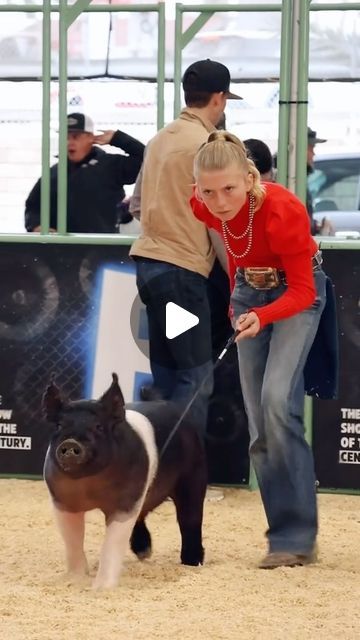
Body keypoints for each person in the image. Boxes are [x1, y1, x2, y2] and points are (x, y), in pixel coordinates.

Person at [191, 130, 327, 568]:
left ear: (249, 178)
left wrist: (262, 316)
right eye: (208, 191)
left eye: (229, 188)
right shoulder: (204, 206)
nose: (219, 201)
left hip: (295, 296)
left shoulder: (283, 210)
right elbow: (236, 255)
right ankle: (283, 537)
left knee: (275, 402)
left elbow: (305, 291)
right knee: (258, 422)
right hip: (250, 296)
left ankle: (296, 536)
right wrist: (237, 302)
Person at [129, 59, 242, 434]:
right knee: (195, 379)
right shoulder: (210, 146)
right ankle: (185, 475)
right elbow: (217, 218)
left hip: (149, 271)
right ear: (219, 98)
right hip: (182, 276)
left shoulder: (160, 139)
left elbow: (137, 204)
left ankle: (157, 469)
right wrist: (236, 275)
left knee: (166, 378)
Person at [25, 112, 144, 233]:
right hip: (61, 248)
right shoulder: (53, 173)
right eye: (65, 137)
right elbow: (33, 206)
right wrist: (36, 226)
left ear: (90, 138)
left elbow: (147, 161)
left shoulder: (111, 165)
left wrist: (118, 138)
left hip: (103, 247)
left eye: (75, 136)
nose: (69, 142)